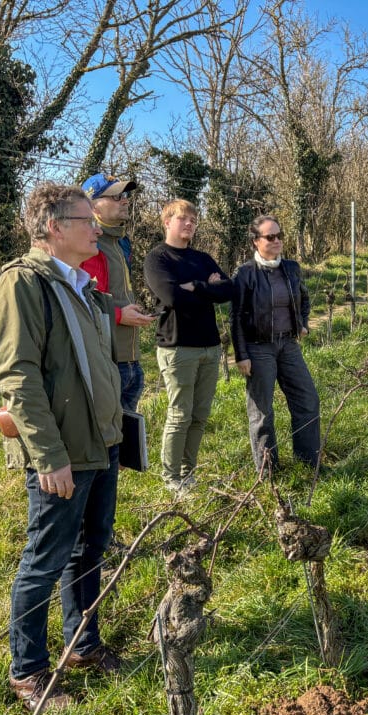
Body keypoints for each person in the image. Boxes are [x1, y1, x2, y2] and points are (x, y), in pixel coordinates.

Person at [0, 183, 125, 712]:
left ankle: (82, 646)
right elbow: (17, 376)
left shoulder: (81, 285)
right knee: (43, 560)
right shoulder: (23, 283)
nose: (96, 227)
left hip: (100, 444)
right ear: (53, 227)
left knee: (90, 549)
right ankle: (27, 672)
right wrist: (48, 456)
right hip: (62, 452)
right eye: (86, 218)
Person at [144, 199, 233, 494]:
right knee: (180, 414)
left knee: (200, 415)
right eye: (183, 219)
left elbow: (228, 290)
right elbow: (171, 297)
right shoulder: (158, 258)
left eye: (193, 220)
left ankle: (188, 473)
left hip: (210, 346)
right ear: (167, 222)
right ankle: (171, 478)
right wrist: (208, 289)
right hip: (177, 346)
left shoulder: (203, 258)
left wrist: (197, 286)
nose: (189, 224)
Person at [230, 215, 321, 475]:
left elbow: (303, 298)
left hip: (288, 345)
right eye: (271, 237)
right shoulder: (245, 273)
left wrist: (302, 323)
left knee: (308, 400)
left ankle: (308, 464)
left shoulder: (291, 268)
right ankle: (269, 473)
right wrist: (241, 354)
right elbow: (235, 316)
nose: (277, 241)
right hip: (258, 348)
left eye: (280, 235)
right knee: (262, 411)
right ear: (255, 241)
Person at [80, 173, 155, 412]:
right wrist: (121, 315)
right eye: (116, 196)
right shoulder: (88, 245)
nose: (125, 200)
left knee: (128, 440)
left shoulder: (122, 241)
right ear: (93, 206)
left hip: (131, 358)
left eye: (125, 195)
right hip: (107, 361)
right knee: (110, 444)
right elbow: (83, 302)